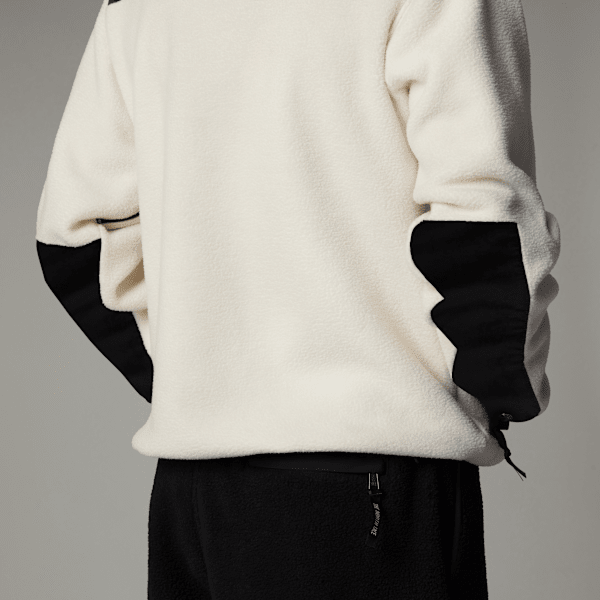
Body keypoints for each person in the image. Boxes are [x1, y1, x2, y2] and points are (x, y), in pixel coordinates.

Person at [35, 0, 561, 598]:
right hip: (366, 483)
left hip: (192, 497)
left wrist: (201, 377)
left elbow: (75, 242)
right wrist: (504, 388)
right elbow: (487, 225)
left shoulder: (134, 7)